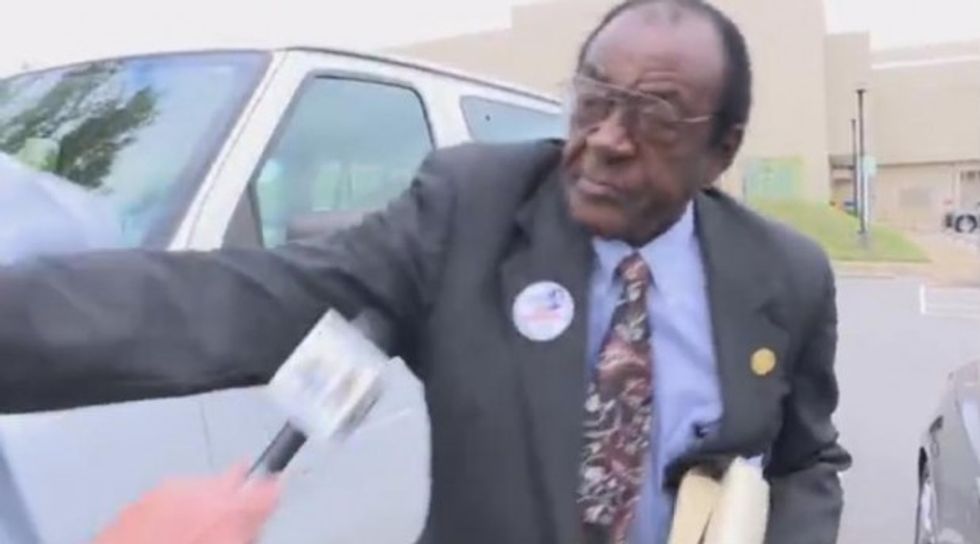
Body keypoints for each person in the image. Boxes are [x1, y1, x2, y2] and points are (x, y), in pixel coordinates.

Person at [0, 0, 851, 542]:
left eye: (656, 116)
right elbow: (227, 303)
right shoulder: (471, 211)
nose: (606, 139)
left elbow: (806, 459)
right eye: (593, 96)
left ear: (722, 149)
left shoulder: (787, 275)